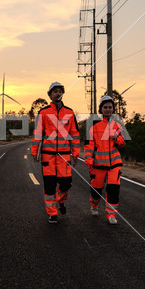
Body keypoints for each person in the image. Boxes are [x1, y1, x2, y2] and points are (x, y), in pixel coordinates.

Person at [31, 82, 80, 224]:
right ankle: (52, 213)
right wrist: (35, 151)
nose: (58, 93)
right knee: (49, 186)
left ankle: (60, 201)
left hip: (64, 155)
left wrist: (76, 152)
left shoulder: (69, 113)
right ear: (50, 95)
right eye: (55, 91)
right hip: (48, 156)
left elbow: (74, 134)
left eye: (60, 91)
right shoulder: (43, 113)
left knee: (66, 184)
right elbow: (38, 134)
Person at [84, 95, 126, 225]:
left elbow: (122, 144)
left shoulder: (117, 125)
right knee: (96, 189)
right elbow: (89, 145)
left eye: (110, 107)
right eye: (105, 107)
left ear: (113, 109)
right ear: (101, 109)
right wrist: (89, 159)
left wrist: (116, 138)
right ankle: (94, 204)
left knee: (113, 189)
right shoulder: (94, 126)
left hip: (114, 163)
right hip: (98, 164)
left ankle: (111, 214)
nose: (108, 109)